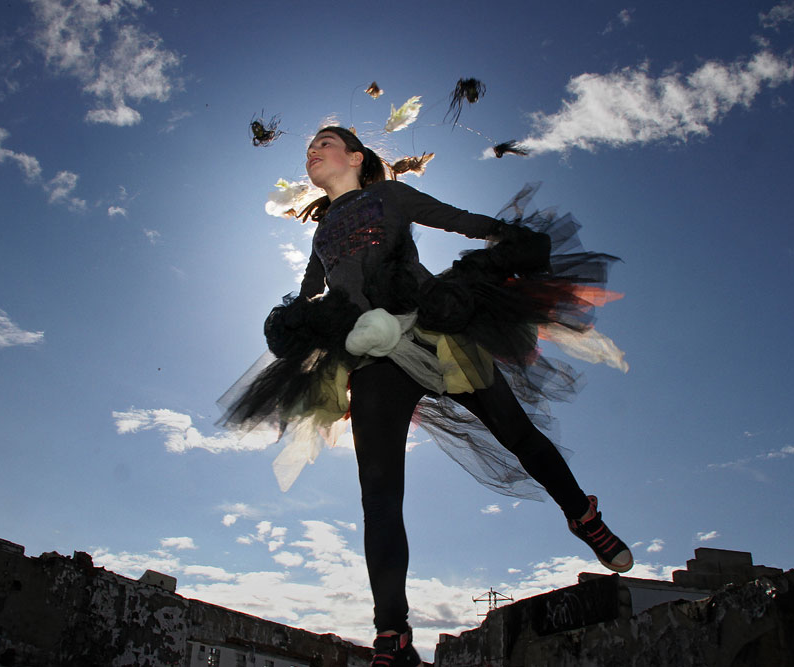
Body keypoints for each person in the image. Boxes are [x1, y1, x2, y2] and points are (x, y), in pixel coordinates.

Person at [223, 127, 631, 667]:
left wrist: (508, 237)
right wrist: (297, 322)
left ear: (355, 157)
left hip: (436, 329)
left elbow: (458, 220)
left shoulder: (389, 195)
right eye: (308, 149)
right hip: (373, 356)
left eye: (324, 143)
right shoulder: (321, 229)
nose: (312, 152)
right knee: (379, 494)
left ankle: (582, 515)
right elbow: (311, 291)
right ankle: (392, 634)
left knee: (516, 432)